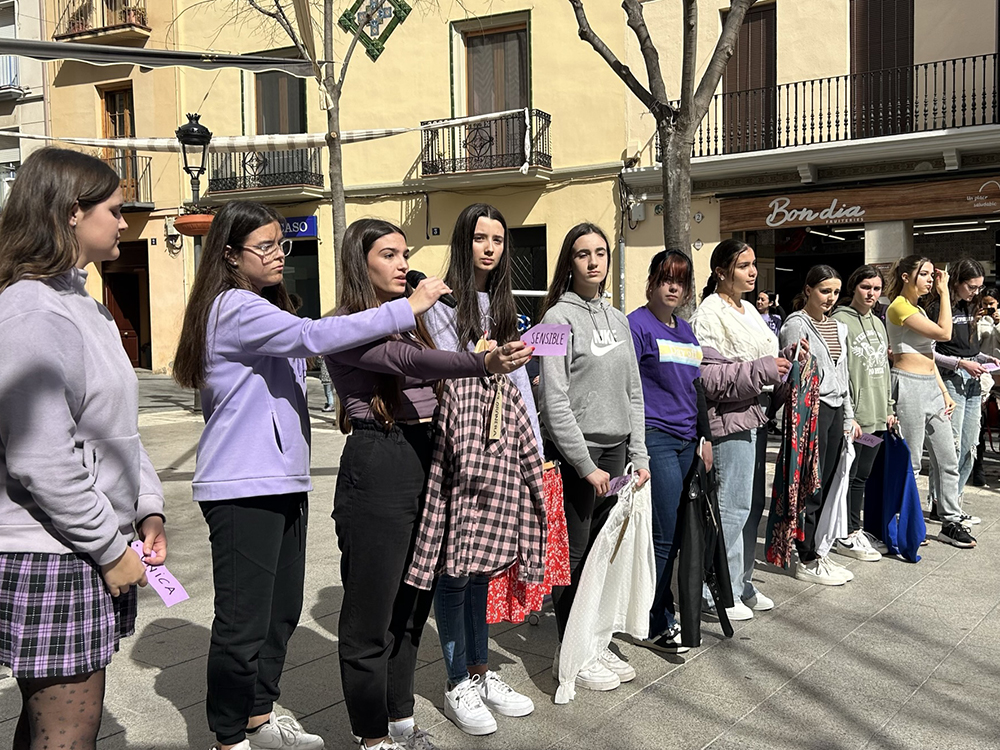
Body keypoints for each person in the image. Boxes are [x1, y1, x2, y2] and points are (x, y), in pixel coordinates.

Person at [173, 202, 451, 750]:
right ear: (228, 255)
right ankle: (229, 738)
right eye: (265, 247)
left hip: (281, 479)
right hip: (242, 485)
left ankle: (258, 719)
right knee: (242, 623)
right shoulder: (232, 306)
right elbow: (314, 337)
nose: (279, 255)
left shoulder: (259, 306)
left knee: (280, 614)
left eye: (281, 244)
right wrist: (408, 308)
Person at [326, 218, 530, 750]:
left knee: (412, 608)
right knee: (371, 615)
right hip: (379, 460)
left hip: (426, 456)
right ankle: (372, 738)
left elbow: (429, 363)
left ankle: (400, 721)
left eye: (404, 254)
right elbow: (409, 361)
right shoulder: (345, 324)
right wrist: (482, 361)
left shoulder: (408, 319)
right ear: (359, 263)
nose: (403, 265)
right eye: (389, 255)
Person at [0, 147, 167, 750]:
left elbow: (114, 426)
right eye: (114, 210)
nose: (124, 222)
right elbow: (42, 458)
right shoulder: (32, 312)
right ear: (72, 212)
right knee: (69, 734)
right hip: (51, 551)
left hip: (81, 544)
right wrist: (108, 547)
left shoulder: (83, 306)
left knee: (49, 728)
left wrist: (147, 507)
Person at [421, 204, 539, 735]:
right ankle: (457, 682)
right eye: (479, 238)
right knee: (454, 570)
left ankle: (479, 670)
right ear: (462, 241)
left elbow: (517, 385)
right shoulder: (442, 302)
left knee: (482, 569)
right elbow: (447, 374)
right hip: (458, 448)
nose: (489, 248)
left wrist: (533, 447)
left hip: (501, 448)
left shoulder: (506, 305)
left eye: (497, 239)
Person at [537, 222, 650, 691]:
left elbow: (634, 393)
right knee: (575, 556)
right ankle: (574, 650)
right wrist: (584, 465)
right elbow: (553, 401)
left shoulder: (619, 319)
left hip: (619, 452)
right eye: (583, 253)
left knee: (606, 553)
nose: (593, 261)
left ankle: (595, 640)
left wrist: (639, 454)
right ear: (570, 260)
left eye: (600, 252)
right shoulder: (552, 321)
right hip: (577, 455)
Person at [691, 239, 804, 619]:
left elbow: (759, 363)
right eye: (743, 266)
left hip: (756, 415)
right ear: (721, 271)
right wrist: (767, 368)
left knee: (751, 506)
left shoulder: (750, 310)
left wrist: (785, 361)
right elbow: (708, 379)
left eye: (753, 264)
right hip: (729, 420)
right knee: (730, 508)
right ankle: (714, 591)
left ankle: (739, 582)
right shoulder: (709, 315)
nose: (753, 272)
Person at [628, 250, 713, 654]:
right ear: (651, 283)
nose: (673, 287)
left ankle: (660, 611)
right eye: (666, 279)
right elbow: (628, 387)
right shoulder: (637, 325)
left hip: (686, 441)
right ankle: (653, 621)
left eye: (681, 281)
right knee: (663, 536)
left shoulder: (686, 331)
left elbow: (696, 388)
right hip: (655, 437)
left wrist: (704, 437)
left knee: (678, 534)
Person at [885, 256, 975, 548]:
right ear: (906, 277)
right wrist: (945, 292)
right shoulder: (899, 306)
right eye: (923, 274)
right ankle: (906, 521)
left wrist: (944, 392)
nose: (929, 279)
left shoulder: (918, 308)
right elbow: (944, 333)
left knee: (948, 458)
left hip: (930, 387)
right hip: (908, 384)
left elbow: (928, 355)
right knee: (912, 461)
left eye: (930, 274)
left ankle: (950, 520)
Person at [780, 266, 859, 585]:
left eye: (836, 292)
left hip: (836, 408)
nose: (831, 298)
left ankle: (818, 548)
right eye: (825, 291)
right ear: (808, 290)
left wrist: (849, 416)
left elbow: (844, 374)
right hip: (811, 410)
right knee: (810, 483)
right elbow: (792, 373)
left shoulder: (839, 327)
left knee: (828, 481)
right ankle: (806, 554)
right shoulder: (796, 324)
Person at [831, 266, 896, 561]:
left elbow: (884, 370)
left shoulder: (879, 323)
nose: (871, 293)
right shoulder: (840, 321)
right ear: (853, 287)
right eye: (865, 287)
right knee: (848, 474)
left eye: (876, 288)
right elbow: (840, 372)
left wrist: (889, 409)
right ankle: (844, 533)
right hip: (855, 417)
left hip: (877, 415)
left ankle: (854, 528)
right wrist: (850, 415)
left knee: (862, 475)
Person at [927, 259, 997, 525]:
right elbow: (930, 352)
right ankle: (940, 503)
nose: (975, 292)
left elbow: (968, 350)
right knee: (950, 446)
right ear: (956, 282)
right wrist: (960, 363)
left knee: (969, 445)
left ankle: (954, 503)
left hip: (972, 379)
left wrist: (984, 358)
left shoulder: (972, 307)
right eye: (971, 287)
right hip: (949, 379)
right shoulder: (937, 308)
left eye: (979, 288)